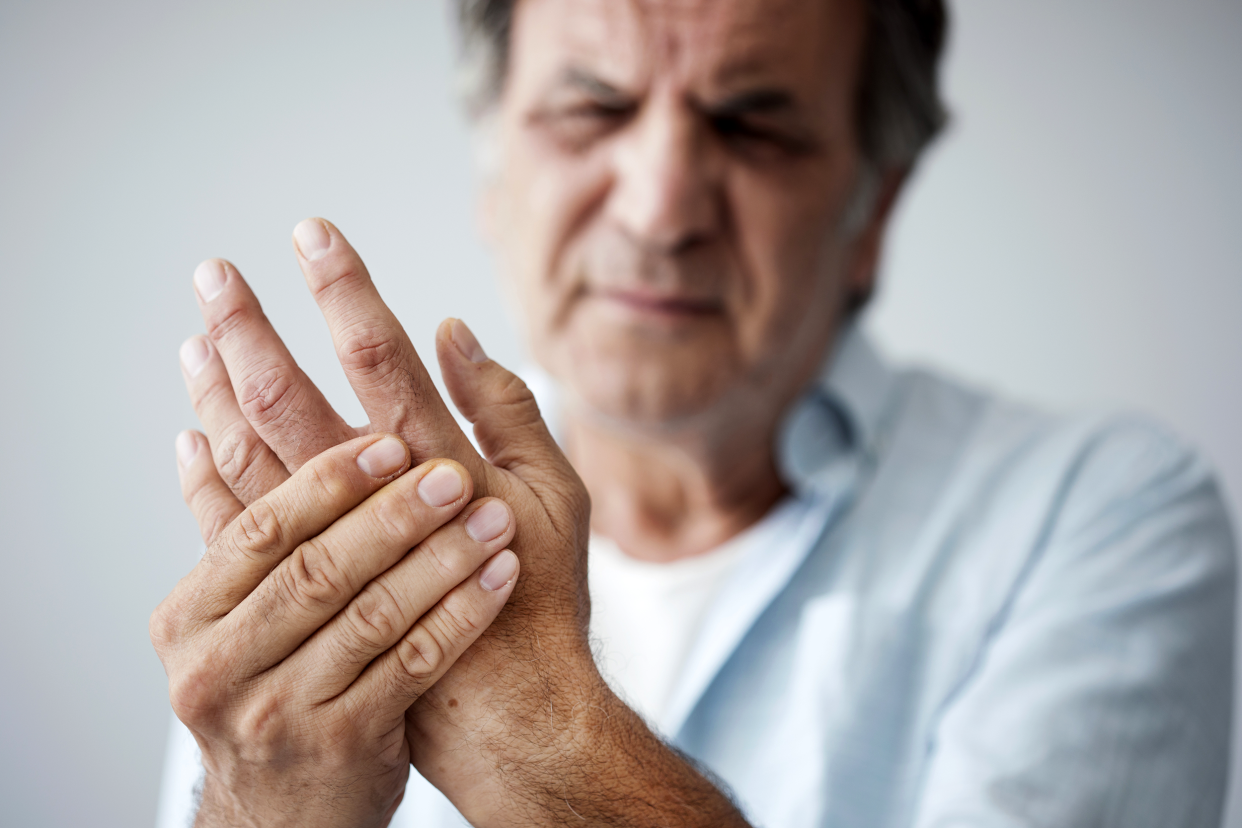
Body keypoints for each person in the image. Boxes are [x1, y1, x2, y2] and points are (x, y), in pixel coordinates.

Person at [153, 1, 1237, 826]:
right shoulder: (332, 550)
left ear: (876, 207)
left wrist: (544, 738)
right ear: (495, 174)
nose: (662, 205)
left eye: (751, 125)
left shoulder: (1102, 514)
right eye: (592, 109)